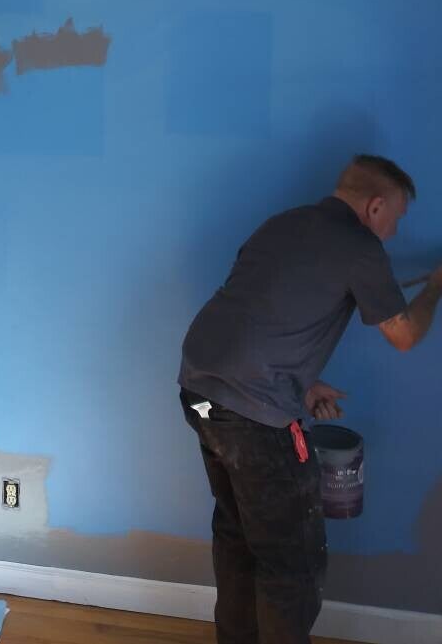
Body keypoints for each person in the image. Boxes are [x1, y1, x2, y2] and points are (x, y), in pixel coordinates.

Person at [178, 154, 442, 644]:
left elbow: (258, 314)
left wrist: (304, 383)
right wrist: (435, 289)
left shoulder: (282, 224)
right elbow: (404, 335)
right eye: (396, 218)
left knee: (237, 534)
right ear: (376, 206)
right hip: (252, 416)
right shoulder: (359, 246)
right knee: (291, 560)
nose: (394, 232)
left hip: (199, 394)